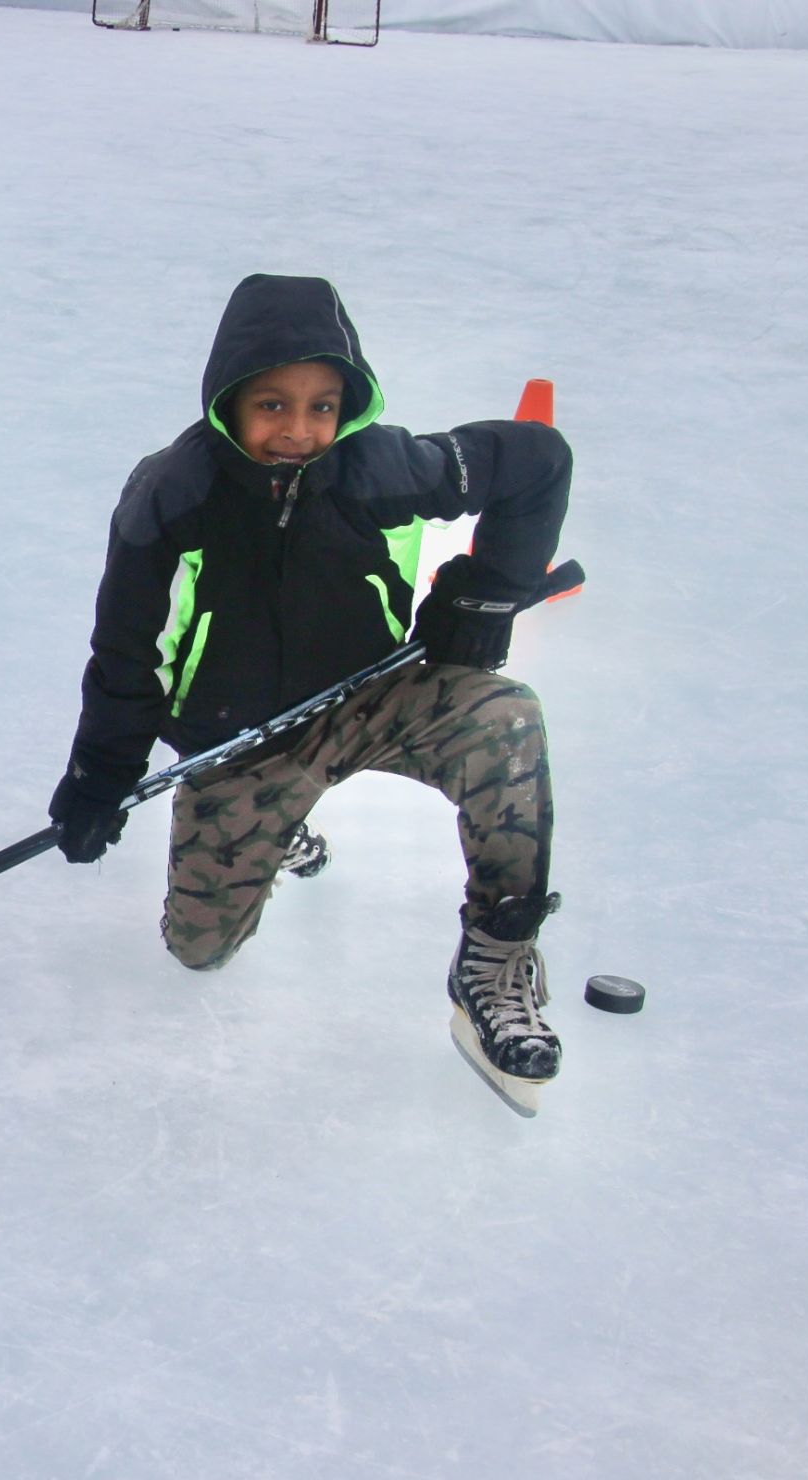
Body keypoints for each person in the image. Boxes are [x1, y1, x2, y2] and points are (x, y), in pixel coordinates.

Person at [48, 274, 575, 1110]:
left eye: (323, 406)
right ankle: (283, 824)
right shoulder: (173, 494)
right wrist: (98, 776)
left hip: (376, 700)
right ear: (229, 401)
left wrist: (484, 594)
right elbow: (126, 651)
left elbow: (538, 461)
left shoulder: (386, 466)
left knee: (506, 720)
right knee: (198, 950)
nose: (299, 431)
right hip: (243, 738)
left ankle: (496, 961)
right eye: (272, 406)